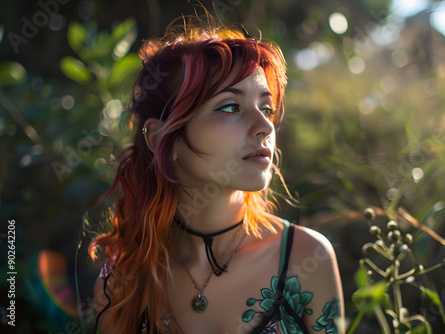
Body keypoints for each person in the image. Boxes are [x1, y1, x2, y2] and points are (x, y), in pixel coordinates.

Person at [90, 16, 344, 334]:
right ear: (159, 138)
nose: (265, 126)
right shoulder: (122, 279)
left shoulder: (306, 257)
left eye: (266, 108)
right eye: (229, 107)